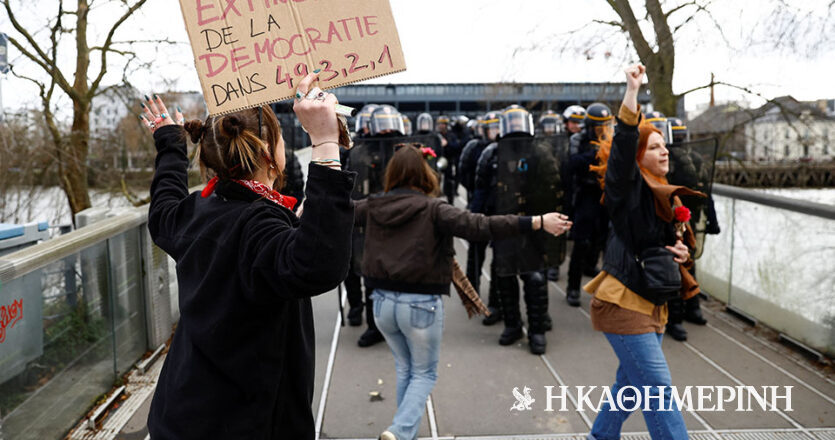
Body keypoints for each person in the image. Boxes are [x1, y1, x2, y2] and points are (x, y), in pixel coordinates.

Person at [144, 72, 355, 439]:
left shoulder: (198, 211)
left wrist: (170, 144)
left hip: (179, 416)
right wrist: (324, 142)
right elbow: (318, 265)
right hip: (247, 424)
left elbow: (163, 208)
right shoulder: (259, 225)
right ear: (270, 152)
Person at [355, 145, 571, 440]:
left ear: (391, 174)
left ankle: (403, 429)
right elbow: (480, 225)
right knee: (424, 373)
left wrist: (310, 206)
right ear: (425, 173)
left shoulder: (373, 205)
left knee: (406, 367)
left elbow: (340, 212)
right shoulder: (434, 209)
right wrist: (536, 221)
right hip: (420, 305)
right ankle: (400, 431)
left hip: (381, 304)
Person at [583, 64, 703, 439]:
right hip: (624, 304)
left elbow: (667, 246)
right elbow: (621, 150)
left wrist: (684, 254)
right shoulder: (626, 189)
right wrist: (632, 92)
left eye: (665, 145)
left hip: (653, 304)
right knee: (658, 394)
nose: (664, 150)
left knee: (630, 387)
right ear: (638, 157)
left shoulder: (663, 192)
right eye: (654, 147)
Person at [474, 105, 560, 354]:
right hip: (503, 226)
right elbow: (480, 189)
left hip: (534, 225)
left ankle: (537, 330)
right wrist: (476, 221)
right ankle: (512, 325)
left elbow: (554, 189)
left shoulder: (540, 152)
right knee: (505, 276)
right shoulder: (490, 153)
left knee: (534, 278)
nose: (514, 128)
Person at [564, 102, 613, 307]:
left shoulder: (613, 140)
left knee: (605, 242)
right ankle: (573, 287)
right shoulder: (578, 139)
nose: (601, 130)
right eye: (597, 126)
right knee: (581, 241)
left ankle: (604, 288)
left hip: (606, 194)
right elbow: (571, 163)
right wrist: (595, 153)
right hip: (586, 193)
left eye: (604, 125)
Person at [459, 112, 502, 325]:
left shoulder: (506, 149)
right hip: (480, 204)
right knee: (476, 252)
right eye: (491, 128)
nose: (495, 132)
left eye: (497, 128)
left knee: (499, 258)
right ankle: (471, 291)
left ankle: (496, 300)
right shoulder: (475, 147)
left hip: (501, 209)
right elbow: (465, 172)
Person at [436, 115, 462, 204]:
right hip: (436, 162)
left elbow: (457, 147)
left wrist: (447, 144)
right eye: (439, 124)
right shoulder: (434, 136)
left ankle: (450, 201)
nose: (441, 126)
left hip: (448, 161)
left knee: (449, 183)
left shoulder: (451, 135)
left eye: (443, 124)